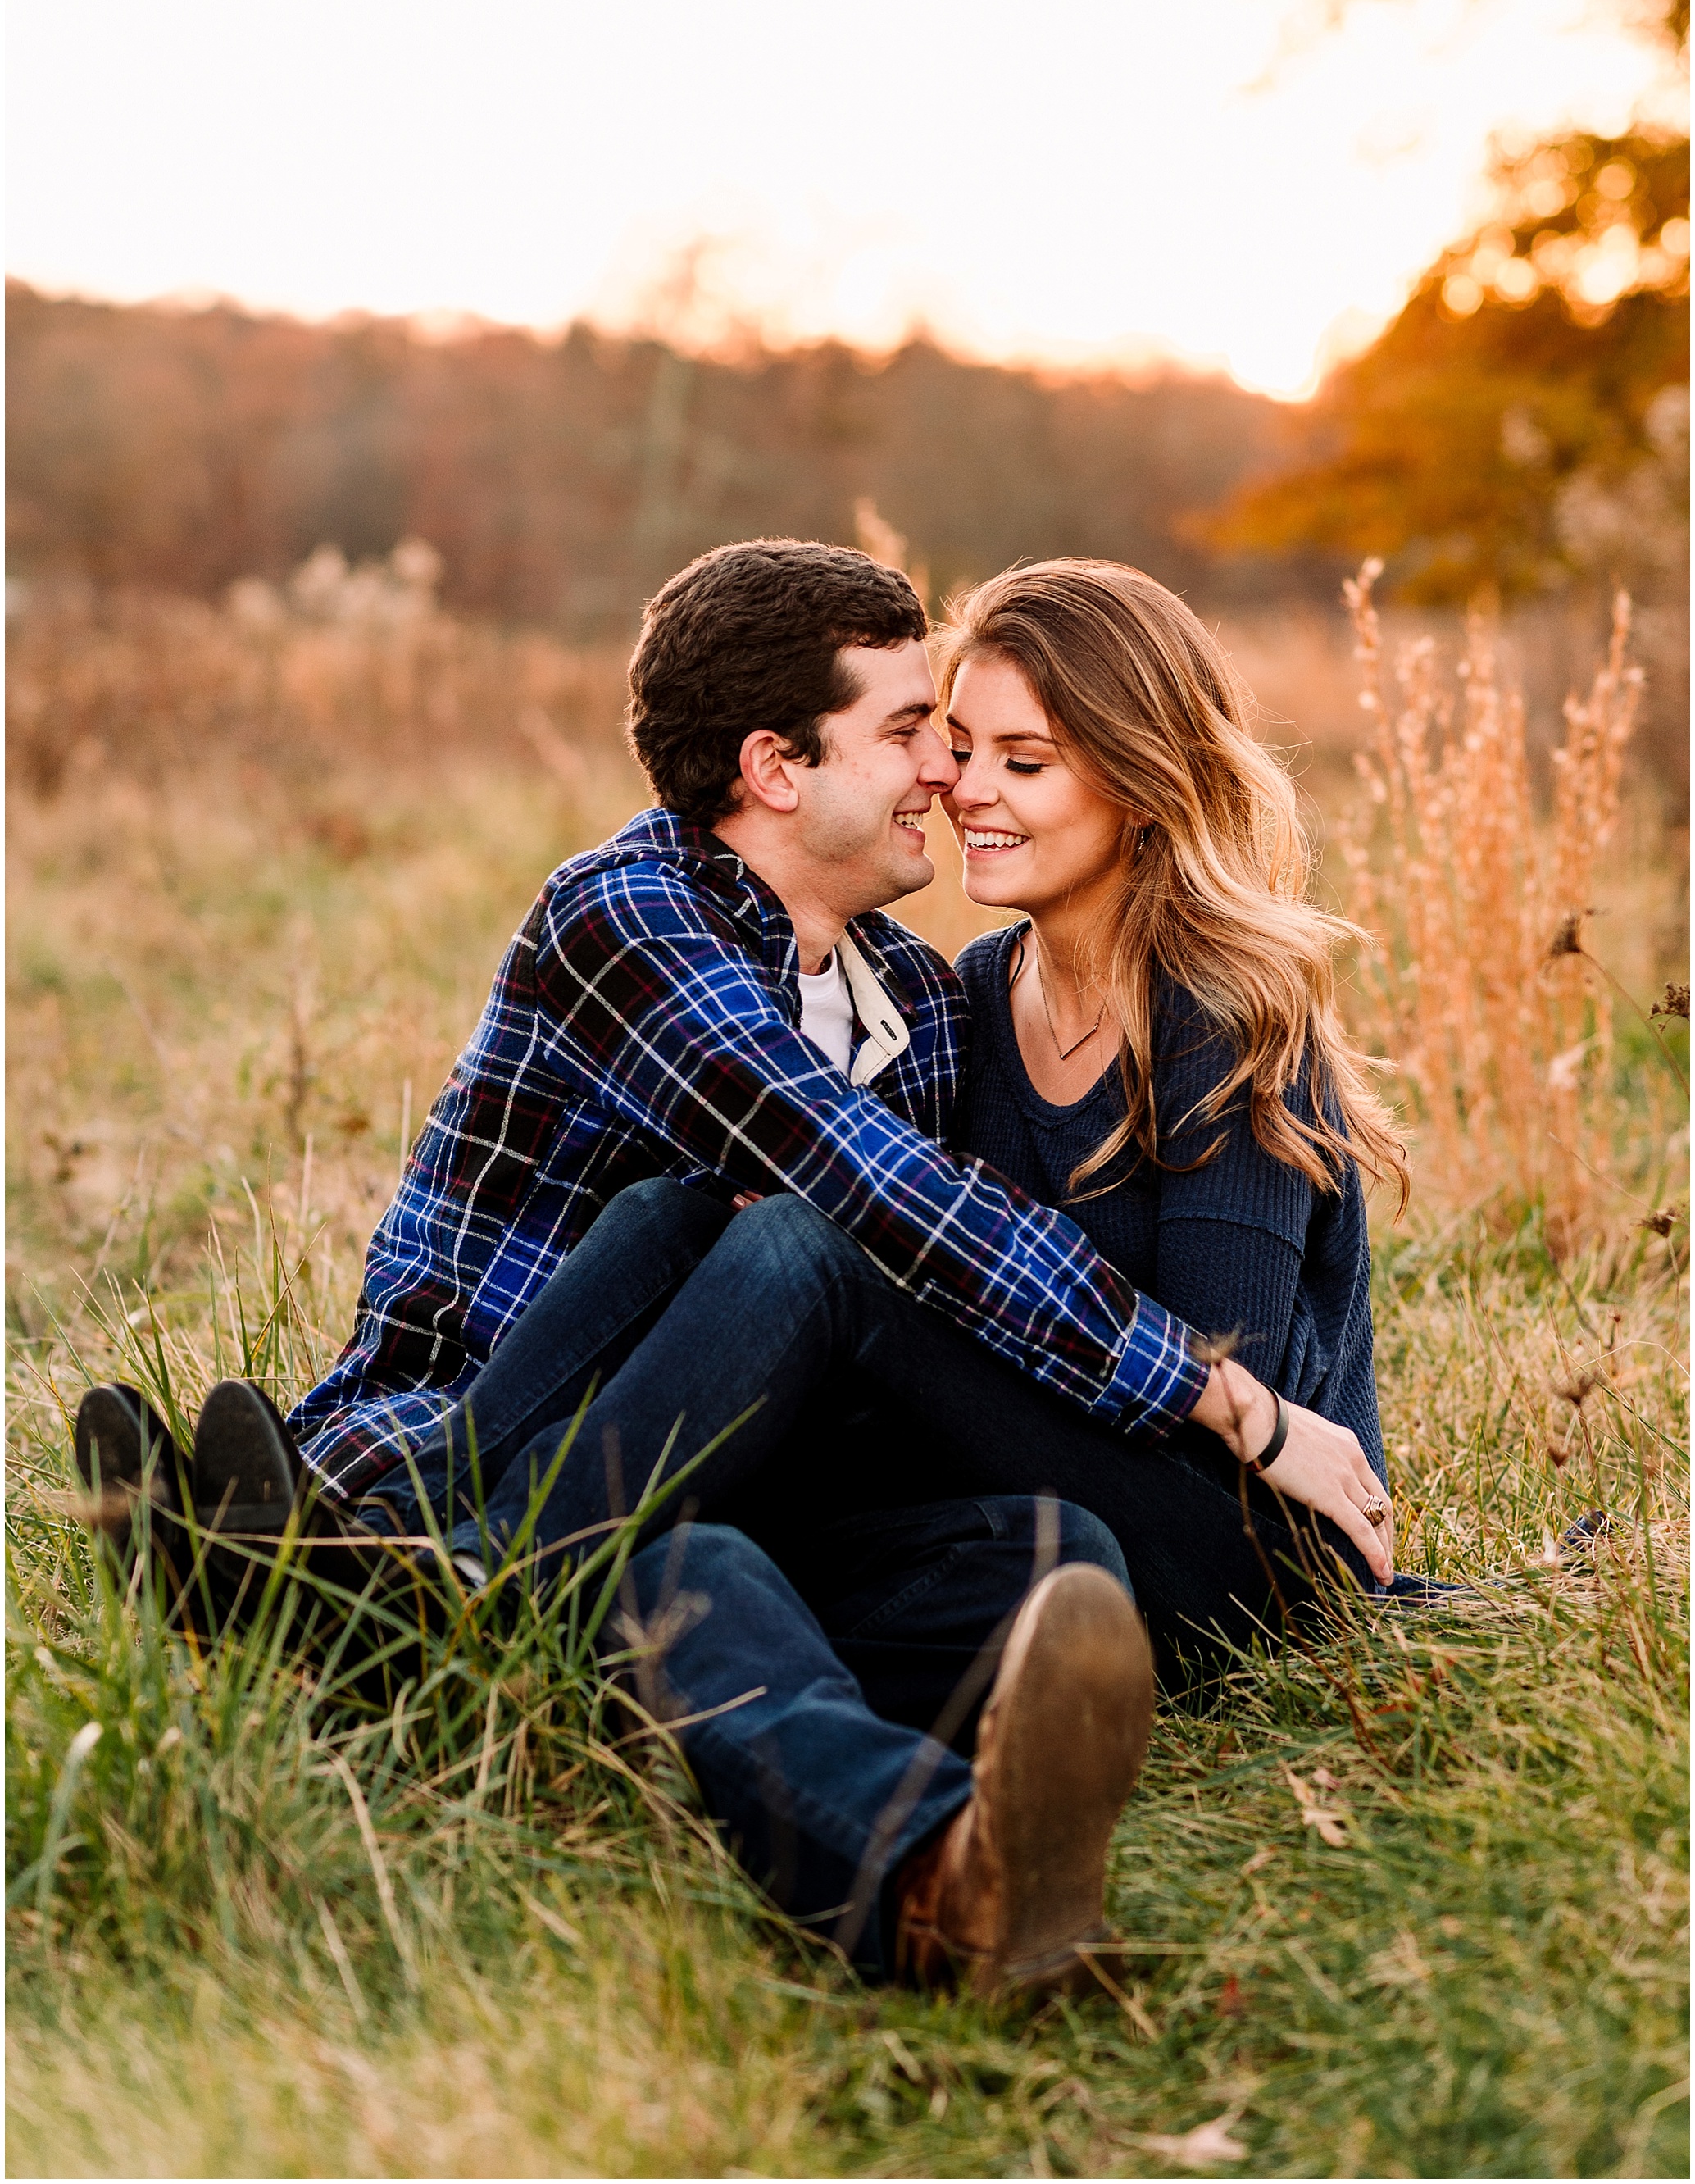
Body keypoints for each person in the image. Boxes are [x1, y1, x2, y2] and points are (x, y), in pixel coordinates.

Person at [75, 540, 1395, 1995]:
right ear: (776, 767)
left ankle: (405, 1599)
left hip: (1189, 1518)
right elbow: (885, 1260)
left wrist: (1247, 1409)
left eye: (1010, 755)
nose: (954, 785)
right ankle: (940, 1876)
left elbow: (930, 1274)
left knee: (838, 1304)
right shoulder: (736, 942)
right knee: (712, 1523)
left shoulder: (1041, 1007)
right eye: (932, 738)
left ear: (1136, 780)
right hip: (649, 1445)